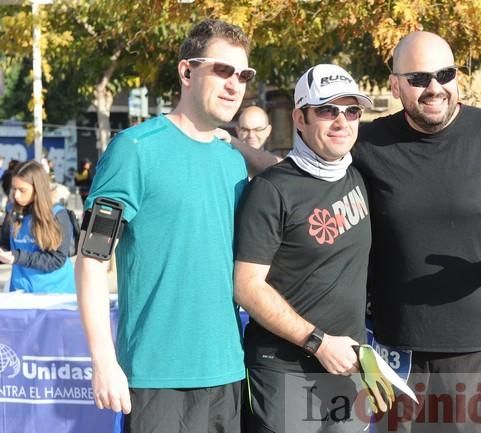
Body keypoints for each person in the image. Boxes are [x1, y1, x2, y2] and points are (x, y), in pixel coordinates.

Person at [352, 32, 481, 433]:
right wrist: (241, 150)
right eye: (418, 79)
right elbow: (306, 173)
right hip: (400, 352)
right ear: (394, 84)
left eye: (445, 74)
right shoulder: (368, 145)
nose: (434, 88)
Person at [75, 19, 253, 433]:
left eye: (243, 74)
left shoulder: (233, 163)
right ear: (187, 71)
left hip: (227, 370)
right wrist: (103, 360)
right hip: (157, 377)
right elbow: (90, 259)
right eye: (222, 70)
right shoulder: (134, 150)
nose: (235, 84)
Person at [234, 64, 373, 433]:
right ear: (300, 117)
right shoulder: (271, 189)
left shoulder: (357, 176)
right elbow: (247, 285)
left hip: (348, 368)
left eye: (351, 111)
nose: (342, 121)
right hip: (284, 370)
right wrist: (318, 342)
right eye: (328, 110)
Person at [0, 160, 75, 293]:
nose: (16, 195)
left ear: (37, 189)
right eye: (14, 189)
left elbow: (57, 259)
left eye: (22, 190)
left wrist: (17, 257)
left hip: (56, 294)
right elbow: (5, 243)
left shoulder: (57, 214)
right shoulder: (12, 210)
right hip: (21, 291)